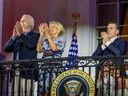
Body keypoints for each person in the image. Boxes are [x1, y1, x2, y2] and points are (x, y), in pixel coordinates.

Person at [4, 14, 39, 96]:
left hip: (27, 72)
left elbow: (30, 45)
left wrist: (20, 34)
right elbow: (6, 48)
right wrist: (13, 36)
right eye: (20, 21)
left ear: (31, 24)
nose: (21, 22)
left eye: (23, 21)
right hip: (15, 71)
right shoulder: (18, 37)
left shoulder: (36, 35)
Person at [92, 22, 127, 96]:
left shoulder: (122, 42)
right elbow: (94, 57)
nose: (108, 30)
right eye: (107, 28)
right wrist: (104, 45)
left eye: (111, 28)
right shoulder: (102, 44)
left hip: (117, 76)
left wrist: (108, 42)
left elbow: (119, 54)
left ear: (117, 32)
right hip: (102, 75)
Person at [36, 21, 66, 96]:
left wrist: (47, 34)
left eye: (53, 27)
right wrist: (41, 35)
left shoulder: (61, 39)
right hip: (44, 68)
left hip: (54, 68)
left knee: (52, 90)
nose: (50, 29)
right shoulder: (46, 40)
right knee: (42, 91)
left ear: (58, 29)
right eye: (49, 27)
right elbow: (38, 50)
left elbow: (54, 49)